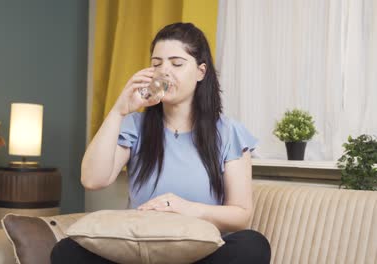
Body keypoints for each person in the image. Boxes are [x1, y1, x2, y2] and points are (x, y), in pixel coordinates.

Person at [51, 22, 271, 264]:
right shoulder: (134, 124)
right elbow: (92, 180)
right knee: (66, 250)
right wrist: (118, 111)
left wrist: (186, 208)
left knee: (252, 245)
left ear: (201, 71)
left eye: (176, 63)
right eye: (157, 64)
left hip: (199, 254)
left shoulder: (229, 132)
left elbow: (240, 216)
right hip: (140, 253)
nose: (164, 71)